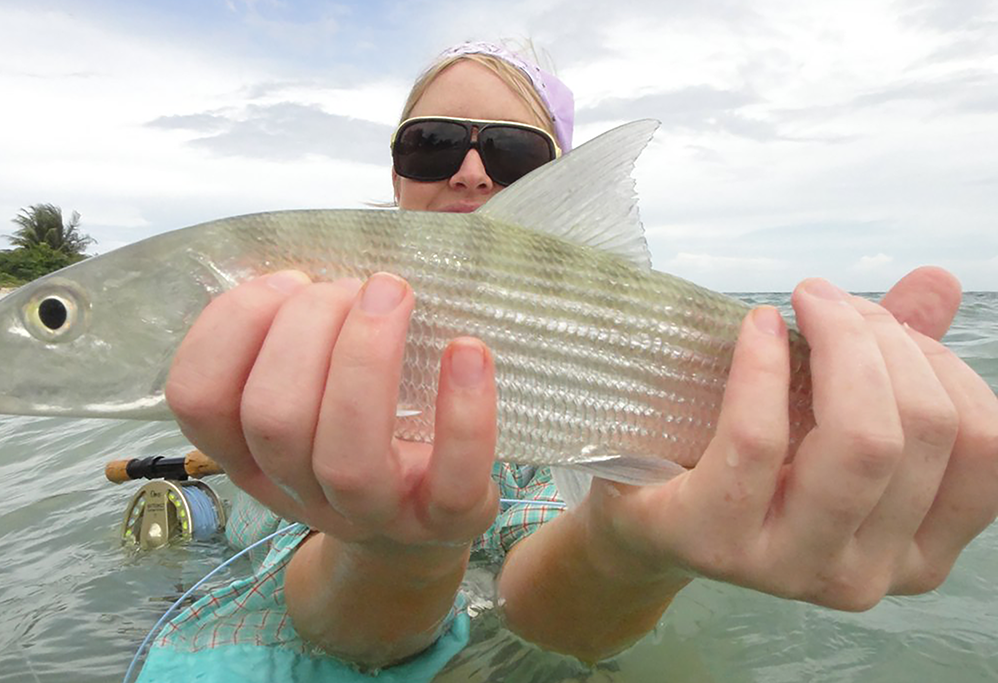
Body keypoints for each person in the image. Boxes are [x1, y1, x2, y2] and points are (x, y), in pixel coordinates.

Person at [139, 41, 998, 681]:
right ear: (396, 174)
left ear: (559, 177)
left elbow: (550, 616)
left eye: (513, 153)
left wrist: (631, 546)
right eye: (434, 144)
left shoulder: (610, 377)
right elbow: (340, 628)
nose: (472, 173)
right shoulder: (294, 335)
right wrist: (393, 548)